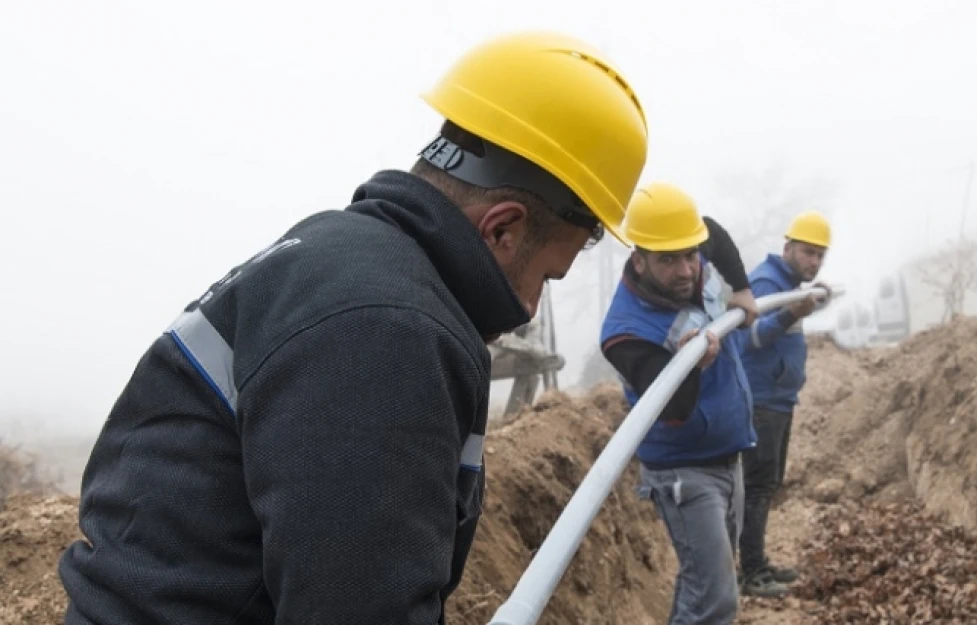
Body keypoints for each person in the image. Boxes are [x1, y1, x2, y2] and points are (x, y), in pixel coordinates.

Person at [57, 31, 650, 625]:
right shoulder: (389, 334)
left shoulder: (341, 260)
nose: (527, 310)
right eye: (546, 277)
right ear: (502, 230)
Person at [598, 182, 800, 625]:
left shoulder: (691, 249)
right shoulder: (626, 331)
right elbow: (673, 408)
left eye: (690, 255)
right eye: (668, 260)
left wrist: (743, 289)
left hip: (728, 458)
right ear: (639, 258)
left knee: (703, 585)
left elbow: (713, 233)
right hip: (683, 473)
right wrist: (693, 362)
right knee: (716, 600)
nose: (687, 269)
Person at [736, 210, 831, 598]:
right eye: (808, 252)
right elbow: (751, 337)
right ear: (787, 247)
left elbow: (784, 324)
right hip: (762, 401)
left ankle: (757, 562)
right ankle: (752, 572)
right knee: (758, 488)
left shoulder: (789, 283)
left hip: (779, 399)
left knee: (766, 485)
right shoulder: (767, 282)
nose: (814, 261)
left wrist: (812, 303)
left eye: (820, 255)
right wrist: (793, 310)